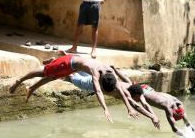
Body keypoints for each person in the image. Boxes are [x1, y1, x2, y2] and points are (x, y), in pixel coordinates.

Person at [62, 65, 194, 136]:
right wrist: (176, 130)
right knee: (74, 79)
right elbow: (138, 106)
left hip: (148, 89)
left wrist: (115, 70)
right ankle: (62, 73)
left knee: (84, 71)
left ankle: (71, 65)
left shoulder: (135, 87)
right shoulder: (168, 104)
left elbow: (142, 100)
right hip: (97, 84)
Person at [9, 53, 139, 123]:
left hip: (74, 65)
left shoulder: (111, 74)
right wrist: (105, 109)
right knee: (45, 72)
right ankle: (19, 80)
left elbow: (121, 91)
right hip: (68, 63)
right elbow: (98, 90)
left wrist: (129, 108)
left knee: (53, 76)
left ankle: (32, 88)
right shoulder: (96, 72)